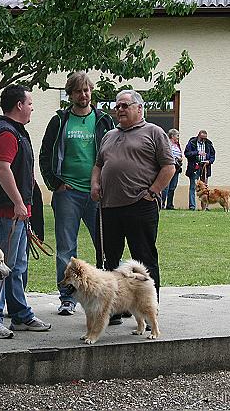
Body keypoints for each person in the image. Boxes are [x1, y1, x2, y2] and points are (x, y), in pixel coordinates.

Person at [91, 90, 175, 325]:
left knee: (144, 259)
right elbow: (98, 165)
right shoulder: (109, 135)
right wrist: (95, 183)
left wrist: (152, 192)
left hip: (140, 206)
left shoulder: (154, 132)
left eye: (125, 105)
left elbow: (169, 167)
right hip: (109, 208)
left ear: (139, 108)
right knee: (110, 259)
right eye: (117, 106)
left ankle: (149, 310)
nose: (119, 109)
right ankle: (116, 307)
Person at [0, 84, 51, 339]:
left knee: (17, 265)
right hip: (2, 213)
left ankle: (20, 315)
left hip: (17, 213)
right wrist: (19, 202)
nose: (32, 108)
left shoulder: (17, 132)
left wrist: (25, 207)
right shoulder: (6, 133)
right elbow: (2, 169)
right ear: (19, 105)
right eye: (30, 103)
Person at [40, 71, 114, 316]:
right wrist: (55, 183)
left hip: (97, 193)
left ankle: (106, 296)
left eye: (87, 90)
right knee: (66, 248)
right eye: (79, 91)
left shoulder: (103, 120)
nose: (84, 95)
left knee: (104, 244)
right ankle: (68, 298)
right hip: (67, 195)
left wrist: (106, 184)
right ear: (70, 94)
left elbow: (113, 152)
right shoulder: (60, 121)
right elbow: (45, 155)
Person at [184, 130, 216, 210]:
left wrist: (209, 161)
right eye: (202, 138)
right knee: (193, 187)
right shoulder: (191, 143)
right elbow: (187, 154)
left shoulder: (209, 144)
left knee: (204, 187)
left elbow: (213, 155)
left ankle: (204, 207)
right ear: (198, 136)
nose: (203, 140)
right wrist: (197, 153)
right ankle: (192, 206)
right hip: (194, 167)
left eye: (205, 138)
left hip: (205, 167)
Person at [161, 128, 183, 210]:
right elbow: (166, 154)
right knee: (166, 187)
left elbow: (180, 154)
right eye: (177, 136)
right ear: (172, 136)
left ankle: (169, 205)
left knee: (172, 187)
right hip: (169, 167)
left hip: (176, 168)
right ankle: (162, 204)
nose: (178, 137)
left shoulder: (177, 145)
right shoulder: (167, 144)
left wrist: (180, 158)